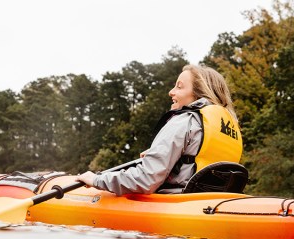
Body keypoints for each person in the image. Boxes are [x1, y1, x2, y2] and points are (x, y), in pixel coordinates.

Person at [78, 64, 242, 194]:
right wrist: (162, 156)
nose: (171, 92)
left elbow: (146, 179)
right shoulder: (228, 127)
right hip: (215, 202)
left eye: (179, 87)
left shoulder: (184, 121)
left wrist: (97, 180)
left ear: (199, 94)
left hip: (180, 205)